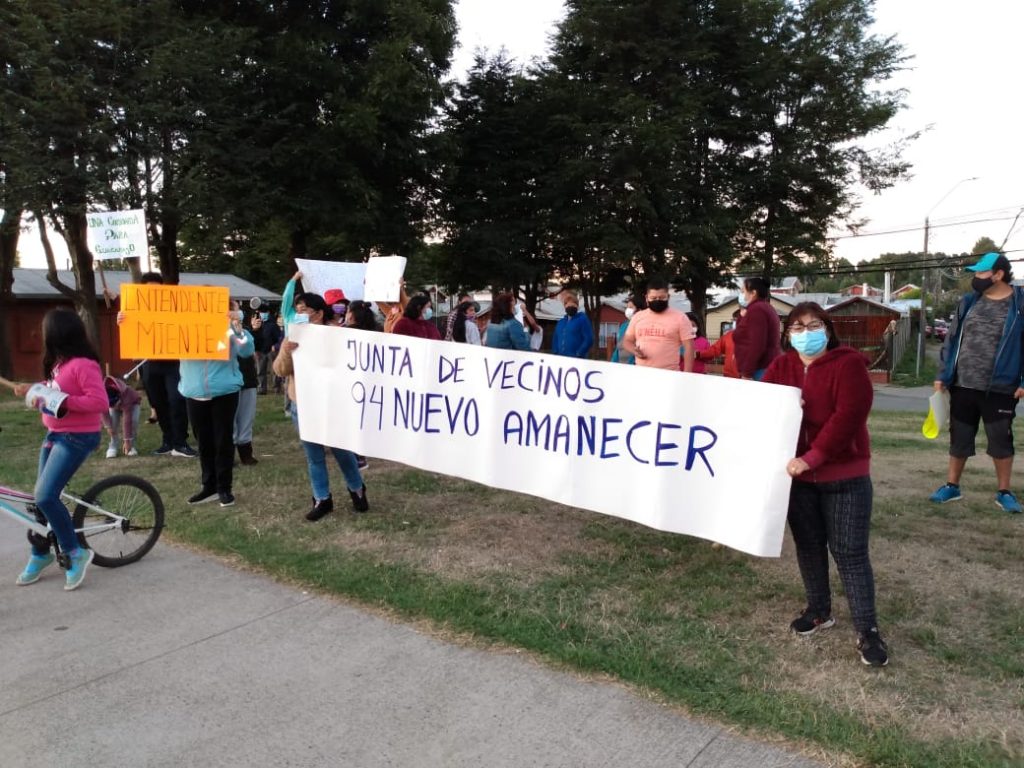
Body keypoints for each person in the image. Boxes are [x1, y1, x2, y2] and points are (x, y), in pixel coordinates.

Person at [762, 302, 888, 667]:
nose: (806, 333)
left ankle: (868, 630)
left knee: (850, 553)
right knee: (809, 546)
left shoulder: (849, 366)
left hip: (844, 475)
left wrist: (812, 458)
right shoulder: (781, 366)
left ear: (829, 329)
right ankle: (819, 610)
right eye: (797, 327)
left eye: (814, 325)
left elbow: (847, 418)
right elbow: (760, 406)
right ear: (787, 335)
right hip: (797, 478)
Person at [9, 308, 108, 590]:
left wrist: (62, 402)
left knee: (45, 495)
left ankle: (75, 552)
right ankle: (41, 552)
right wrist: (34, 389)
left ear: (56, 334)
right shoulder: (60, 363)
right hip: (56, 433)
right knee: (41, 501)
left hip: (77, 437)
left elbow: (99, 402)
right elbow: (55, 387)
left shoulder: (84, 364)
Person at [930, 252, 1024, 513]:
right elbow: (951, 339)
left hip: (1001, 387)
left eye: (981, 273)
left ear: (998, 275)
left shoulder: (1020, 304)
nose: (976, 278)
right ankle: (951, 486)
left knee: (1000, 440)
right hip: (963, 385)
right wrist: (942, 375)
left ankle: (1004, 492)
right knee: (959, 437)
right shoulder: (969, 301)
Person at [274, 291, 369, 519]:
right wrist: (287, 351)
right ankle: (322, 499)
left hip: (331, 404)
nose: (300, 314)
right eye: (297, 310)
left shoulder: (336, 334)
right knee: (314, 455)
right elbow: (279, 370)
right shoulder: (293, 336)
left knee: (341, 450)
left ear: (318, 313)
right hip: (303, 405)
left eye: (304, 310)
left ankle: (356, 488)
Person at [178, 301, 254, 508]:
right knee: (203, 441)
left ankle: (224, 488)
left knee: (223, 441)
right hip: (194, 391)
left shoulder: (229, 326)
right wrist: (128, 322)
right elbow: (151, 336)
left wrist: (238, 327)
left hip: (224, 391)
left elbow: (246, 350)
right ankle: (209, 486)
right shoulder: (181, 326)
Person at [136, 272, 196, 457]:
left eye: (157, 288)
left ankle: (180, 441)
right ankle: (167, 440)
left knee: (177, 400)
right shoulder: (135, 310)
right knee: (158, 403)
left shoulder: (174, 308)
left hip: (173, 363)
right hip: (149, 364)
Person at [621, 277, 695, 372]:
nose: (657, 300)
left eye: (661, 298)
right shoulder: (637, 317)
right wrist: (634, 350)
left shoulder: (680, 318)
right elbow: (627, 341)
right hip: (641, 373)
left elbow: (689, 347)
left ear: (668, 297)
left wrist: (687, 374)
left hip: (669, 374)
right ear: (647, 298)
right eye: (653, 298)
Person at [733, 277, 782, 380]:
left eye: (743, 291)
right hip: (763, 366)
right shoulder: (764, 307)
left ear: (753, 293)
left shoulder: (757, 310)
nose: (742, 295)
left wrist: (747, 373)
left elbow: (757, 344)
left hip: (759, 369)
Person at [233, 301, 260, 466]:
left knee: (246, 417)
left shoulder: (245, 332)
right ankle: (229, 452)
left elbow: (253, 347)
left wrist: (256, 330)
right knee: (230, 419)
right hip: (228, 382)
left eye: (237, 308)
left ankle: (245, 451)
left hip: (248, 379)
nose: (237, 312)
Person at [103, 375, 142, 458]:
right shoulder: (102, 396)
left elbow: (127, 421)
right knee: (113, 423)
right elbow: (103, 411)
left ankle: (131, 446)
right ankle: (113, 446)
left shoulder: (126, 396)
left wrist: (127, 441)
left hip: (133, 403)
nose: (114, 406)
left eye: (115, 404)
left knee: (133, 421)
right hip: (120, 402)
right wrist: (108, 426)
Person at [697, 311, 741, 378]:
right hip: (729, 376)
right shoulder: (729, 336)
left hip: (748, 378)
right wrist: (699, 354)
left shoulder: (756, 337)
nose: (734, 323)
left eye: (737, 320)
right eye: (734, 320)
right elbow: (714, 349)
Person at [551, 291, 593, 358]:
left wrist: (579, 353)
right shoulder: (560, 323)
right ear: (565, 306)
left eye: (573, 305)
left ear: (577, 306)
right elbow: (555, 339)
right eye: (568, 305)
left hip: (576, 359)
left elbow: (589, 339)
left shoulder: (582, 319)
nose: (571, 307)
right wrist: (555, 352)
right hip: (560, 359)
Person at [251, 310, 282, 394]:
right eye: (260, 312)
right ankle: (261, 388)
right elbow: (254, 337)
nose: (262, 314)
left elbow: (279, 337)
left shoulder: (273, 325)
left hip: (271, 351)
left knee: (275, 370)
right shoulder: (256, 324)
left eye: (263, 312)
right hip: (260, 351)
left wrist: (275, 346)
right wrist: (256, 349)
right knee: (260, 370)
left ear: (268, 312)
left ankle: (276, 388)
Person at [610, 296, 643, 364]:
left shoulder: (642, 326)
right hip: (620, 365)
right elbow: (618, 347)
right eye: (627, 307)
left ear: (639, 310)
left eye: (631, 307)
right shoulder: (624, 325)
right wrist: (613, 362)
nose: (628, 310)